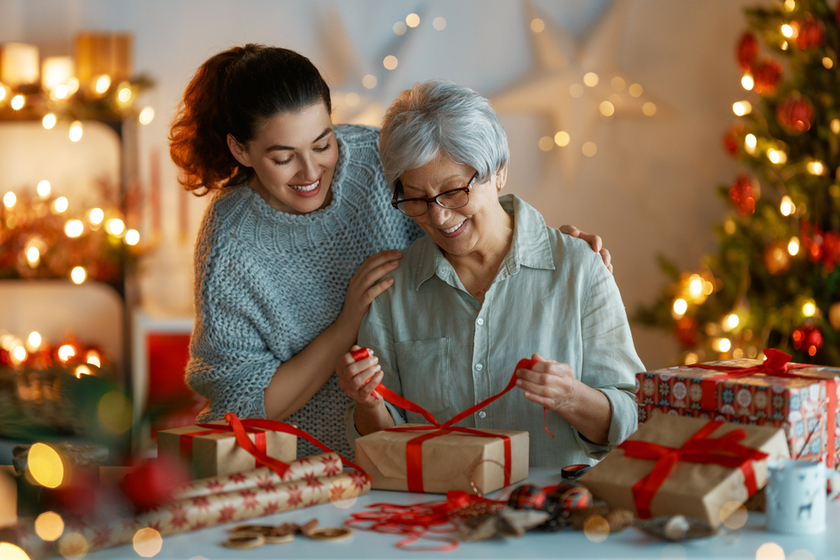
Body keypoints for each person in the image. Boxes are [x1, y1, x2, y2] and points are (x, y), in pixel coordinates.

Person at [169, 45, 611, 459]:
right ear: (240, 149)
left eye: (323, 143)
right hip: (302, 467)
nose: (310, 170)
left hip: (411, 459)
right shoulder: (230, 244)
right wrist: (346, 327)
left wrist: (549, 244)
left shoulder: (377, 160)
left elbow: (459, 212)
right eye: (283, 157)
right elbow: (241, 407)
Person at [338, 80, 644, 467]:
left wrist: (571, 397)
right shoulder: (392, 289)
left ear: (498, 172)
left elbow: (634, 419)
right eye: (416, 198)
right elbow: (387, 447)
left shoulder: (579, 267)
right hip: (438, 516)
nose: (438, 216)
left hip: (557, 515)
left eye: (454, 192)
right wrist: (367, 403)